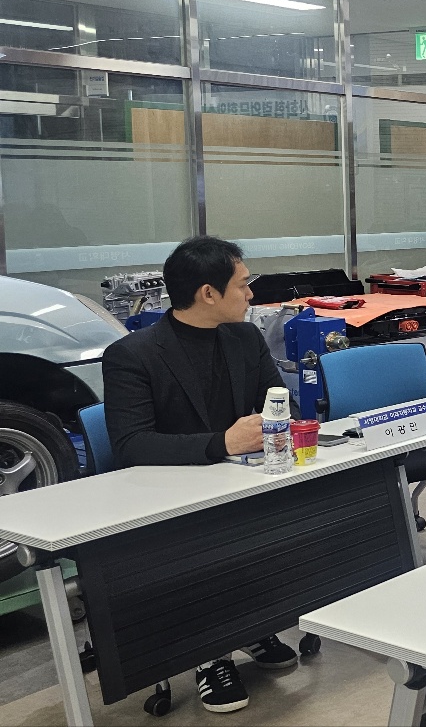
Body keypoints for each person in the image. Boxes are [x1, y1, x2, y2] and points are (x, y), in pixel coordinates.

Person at [102, 236, 298, 713]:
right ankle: (210, 654)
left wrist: (272, 426)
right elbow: (131, 445)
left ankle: (250, 625)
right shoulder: (132, 355)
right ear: (208, 293)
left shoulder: (245, 338)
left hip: (240, 480)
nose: (251, 294)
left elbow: (278, 403)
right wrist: (221, 443)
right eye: (243, 284)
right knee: (211, 535)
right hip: (170, 494)